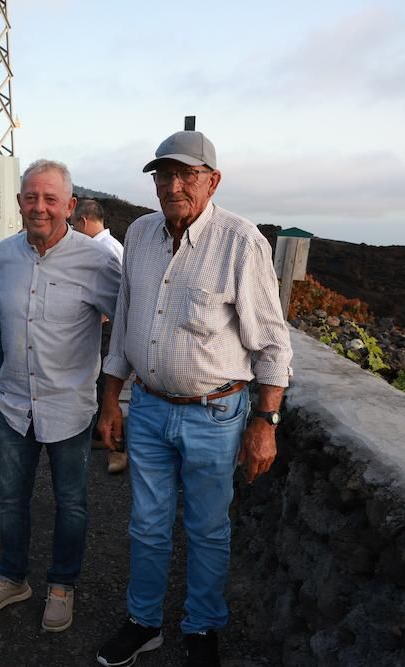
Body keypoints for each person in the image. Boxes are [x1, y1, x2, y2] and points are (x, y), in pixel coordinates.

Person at [95, 131, 292, 667]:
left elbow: (272, 343)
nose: (174, 185)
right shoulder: (138, 234)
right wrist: (111, 399)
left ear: (212, 181)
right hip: (150, 407)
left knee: (207, 529)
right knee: (147, 524)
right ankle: (144, 623)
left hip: (215, 414)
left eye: (186, 175)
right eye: (164, 175)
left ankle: (202, 627)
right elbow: (127, 318)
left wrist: (266, 422)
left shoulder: (241, 242)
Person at [0, 160, 121, 633]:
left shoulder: (97, 261)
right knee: (12, 499)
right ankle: (13, 578)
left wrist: (116, 395)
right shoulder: (4, 255)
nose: (40, 207)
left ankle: (61, 585)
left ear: (70, 206)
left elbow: (129, 323)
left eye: (50, 199)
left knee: (71, 503)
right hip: (12, 405)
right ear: (18, 204)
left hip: (70, 406)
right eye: (31, 198)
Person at [71, 199, 127, 475]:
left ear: (82, 221)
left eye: (73, 225)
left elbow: (120, 295)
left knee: (107, 386)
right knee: (99, 384)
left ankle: (117, 448)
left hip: (110, 329)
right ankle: (98, 434)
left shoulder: (103, 250)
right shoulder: (112, 244)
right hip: (108, 326)